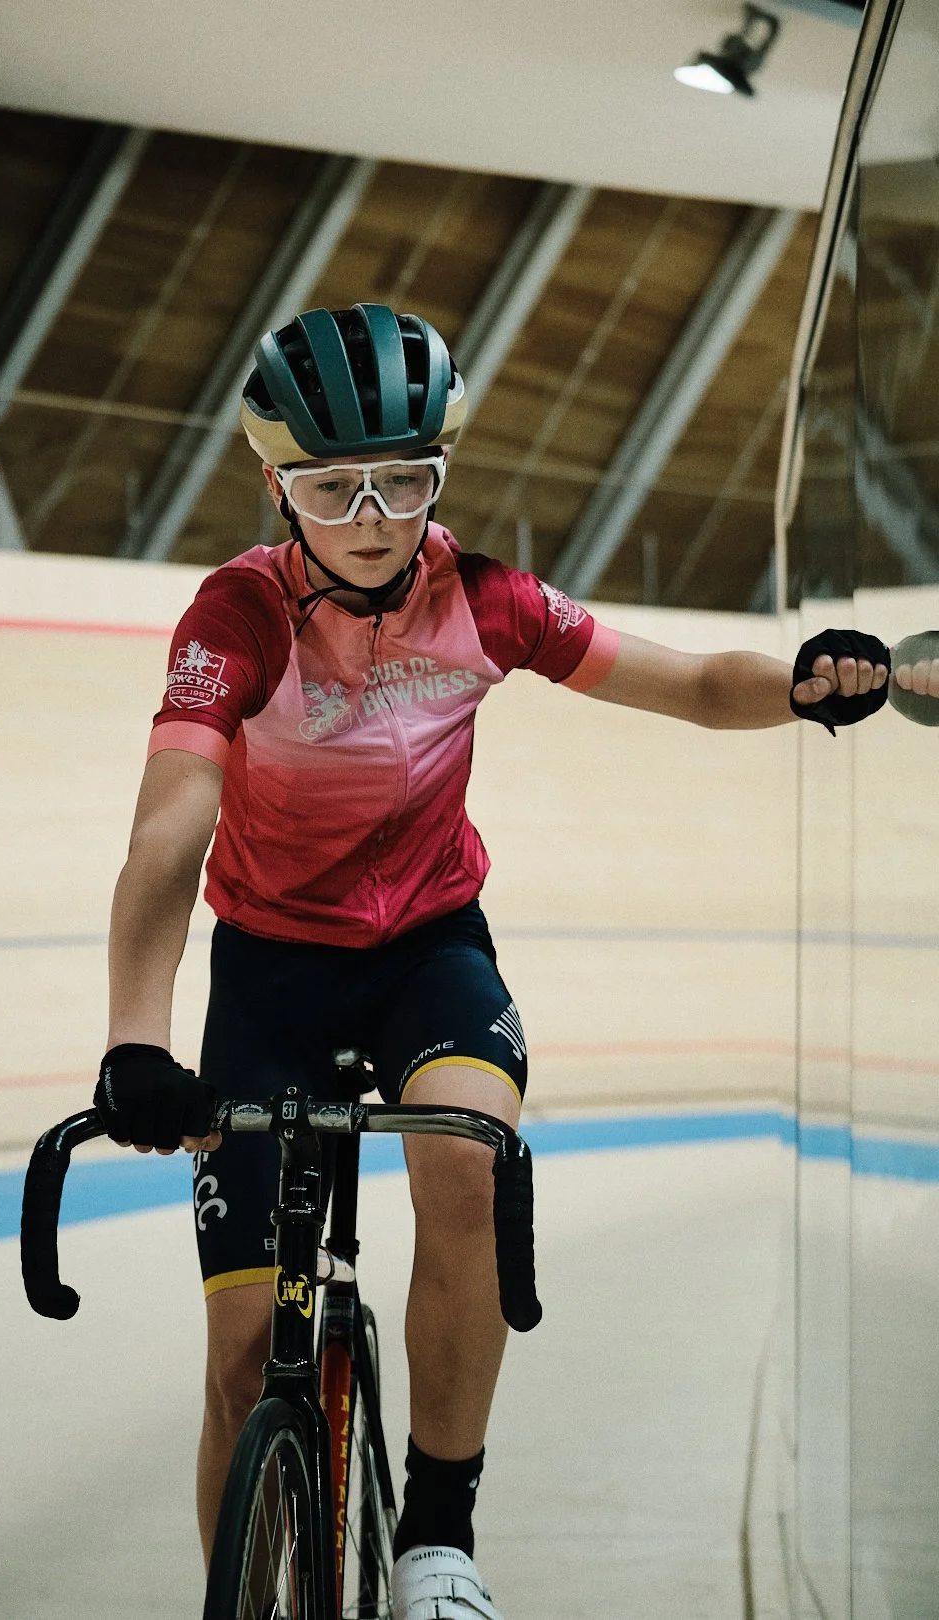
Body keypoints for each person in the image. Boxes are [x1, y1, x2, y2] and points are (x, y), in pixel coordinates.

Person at [93, 303, 893, 1619]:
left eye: (405, 480)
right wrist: (135, 1038)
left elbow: (685, 681)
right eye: (331, 485)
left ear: (439, 476)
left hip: (427, 955)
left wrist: (797, 685)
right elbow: (170, 827)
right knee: (242, 1360)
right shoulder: (236, 616)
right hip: (273, 974)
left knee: (464, 1160)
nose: (370, 514)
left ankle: (438, 1544)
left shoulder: (487, 599)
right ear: (274, 481)